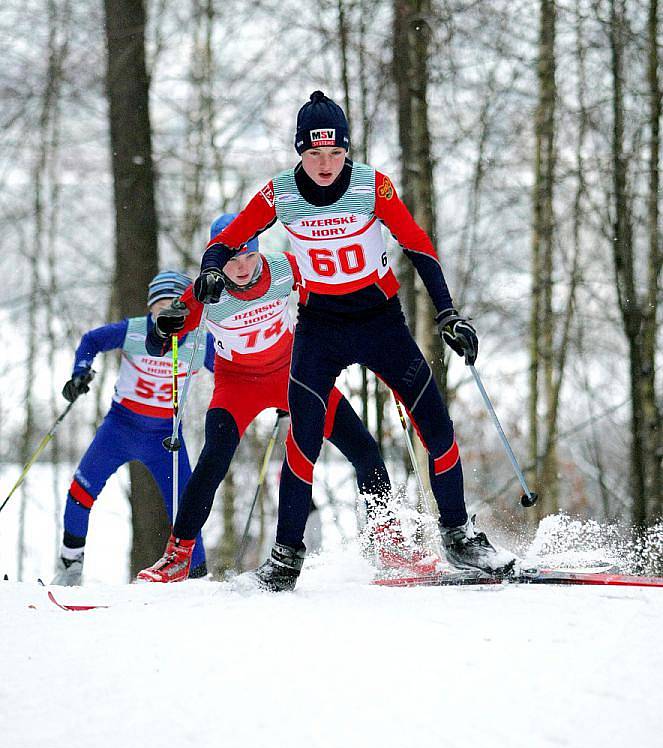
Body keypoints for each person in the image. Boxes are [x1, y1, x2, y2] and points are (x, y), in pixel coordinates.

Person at [193, 90, 516, 591]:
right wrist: (212, 269)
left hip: (380, 321)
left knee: (436, 424)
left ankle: (459, 535)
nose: (325, 164)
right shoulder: (279, 193)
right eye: (314, 154)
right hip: (320, 325)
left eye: (335, 153)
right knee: (302, 440)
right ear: (300, 153)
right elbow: (227, 238)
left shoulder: (373, 187)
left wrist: (448, 313)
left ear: (348, 151)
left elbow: (418, 245)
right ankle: (284, 559)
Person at [137, 216, 396, 586]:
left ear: (259, 250)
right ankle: (177, 557)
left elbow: (336, 283)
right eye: (230, 259)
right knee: (214, 460)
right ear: (215, 258)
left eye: (247, 257)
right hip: (237, 385)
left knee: (364, 448)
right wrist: (163, 328)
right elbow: (158, 345)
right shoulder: (205, 291)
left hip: (295, 375)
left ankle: (390, 545)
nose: (240, 268)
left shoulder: (283, 267)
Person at [52, 271, 215, 586]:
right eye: (160, 307)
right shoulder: (135, 330)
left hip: (165, 438)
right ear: (150, 308)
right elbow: (92, 340)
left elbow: (231, 370)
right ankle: (70, 568)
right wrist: (79, 373)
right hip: (120, 428)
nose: (167, 314)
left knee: (187, 509)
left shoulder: (198, 341)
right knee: (79, 493)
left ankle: (197, 578)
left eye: (176, 307)